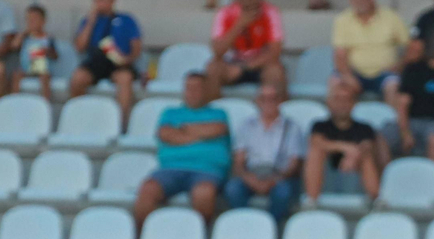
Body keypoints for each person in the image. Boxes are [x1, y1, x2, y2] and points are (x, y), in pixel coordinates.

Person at [134, 72, 232, 227]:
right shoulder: (170, 113)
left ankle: (199, 237)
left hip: (206, 170)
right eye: (188, 88)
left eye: (197, 88)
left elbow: (217, 129)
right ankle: (140, 238)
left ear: (206, 90)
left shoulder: (218, 113)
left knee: (204, 194)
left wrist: (182, 130)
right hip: (170, 169)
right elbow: (166, 134)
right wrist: (201, 135)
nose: (192, 92)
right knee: (147, 190)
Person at [225, 81, 305, 223]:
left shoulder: (292, 127)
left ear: (280, 101)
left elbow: (294, 164)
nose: (268, 102)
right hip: (252, 173)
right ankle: (245, 225)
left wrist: (274, 180)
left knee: (283, 193)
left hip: (280, 175)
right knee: (233, 189)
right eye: (264, 98)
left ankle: (270, 227)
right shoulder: (246, 126)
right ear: (257, 101)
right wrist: (249, 178)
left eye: (273, 98)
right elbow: (238, 161)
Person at [67, 0, 142, 123]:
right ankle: (79, 119)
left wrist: (128, 59)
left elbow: (136, 47)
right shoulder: (88, 20)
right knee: (78, 78)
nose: (102, 2)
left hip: (119, 63)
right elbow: (80, 46)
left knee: (125, 79)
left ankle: (120, 123)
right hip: (97, 62)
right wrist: (91, 20)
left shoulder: (126, 20)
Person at [331, 0, 409, 103]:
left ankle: (392, 123)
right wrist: (348, 77)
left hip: (385, 75)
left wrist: (400, 66)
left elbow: (411, 46)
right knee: (336, 83)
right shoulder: (342, 20)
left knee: (394, 87)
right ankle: (339, 123)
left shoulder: (391, 17)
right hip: (354, 73)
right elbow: (340, 55)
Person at [208, 0, 285, 101]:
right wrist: (239, 24)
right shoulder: (225, 13)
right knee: (212, 69)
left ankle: (273, 117)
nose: (254, 1)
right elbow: (218, 51)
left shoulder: (270, 12)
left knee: (276, 72)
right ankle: (213, 114)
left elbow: (275, 52)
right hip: (232, 65)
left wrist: (244, 67)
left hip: (260, 65)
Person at [391, 30, 434, 163]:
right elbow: (402, 104)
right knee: (381, 136)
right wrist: (405, 133)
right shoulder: (413, 68)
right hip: (412, 121)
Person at [305, 81, 382, 202]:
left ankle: (375, 199)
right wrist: (347, 148)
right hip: (327, 173)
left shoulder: (364, 128)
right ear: (329, 103)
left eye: (346, 100)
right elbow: (317, 142)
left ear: (353, 103)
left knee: (366, 156)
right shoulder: (320, 126)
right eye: (338, 99)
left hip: (355, 173)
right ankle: (312, 200)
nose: (342, 104)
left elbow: (367, 146)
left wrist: (353, 155)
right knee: (316, 152)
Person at [11, 4, 62, 103]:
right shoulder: (25, 37)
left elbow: (55, 56)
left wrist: (47, 52)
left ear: (43, 21)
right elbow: (14, 46)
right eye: (29, 20)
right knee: (16, 75)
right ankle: (15, 100)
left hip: (41, 68)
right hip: (26, 68)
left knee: (45, 77)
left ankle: (45, 102)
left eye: (35, 19)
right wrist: (22, 34)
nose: (32, 22)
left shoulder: (48, 38)